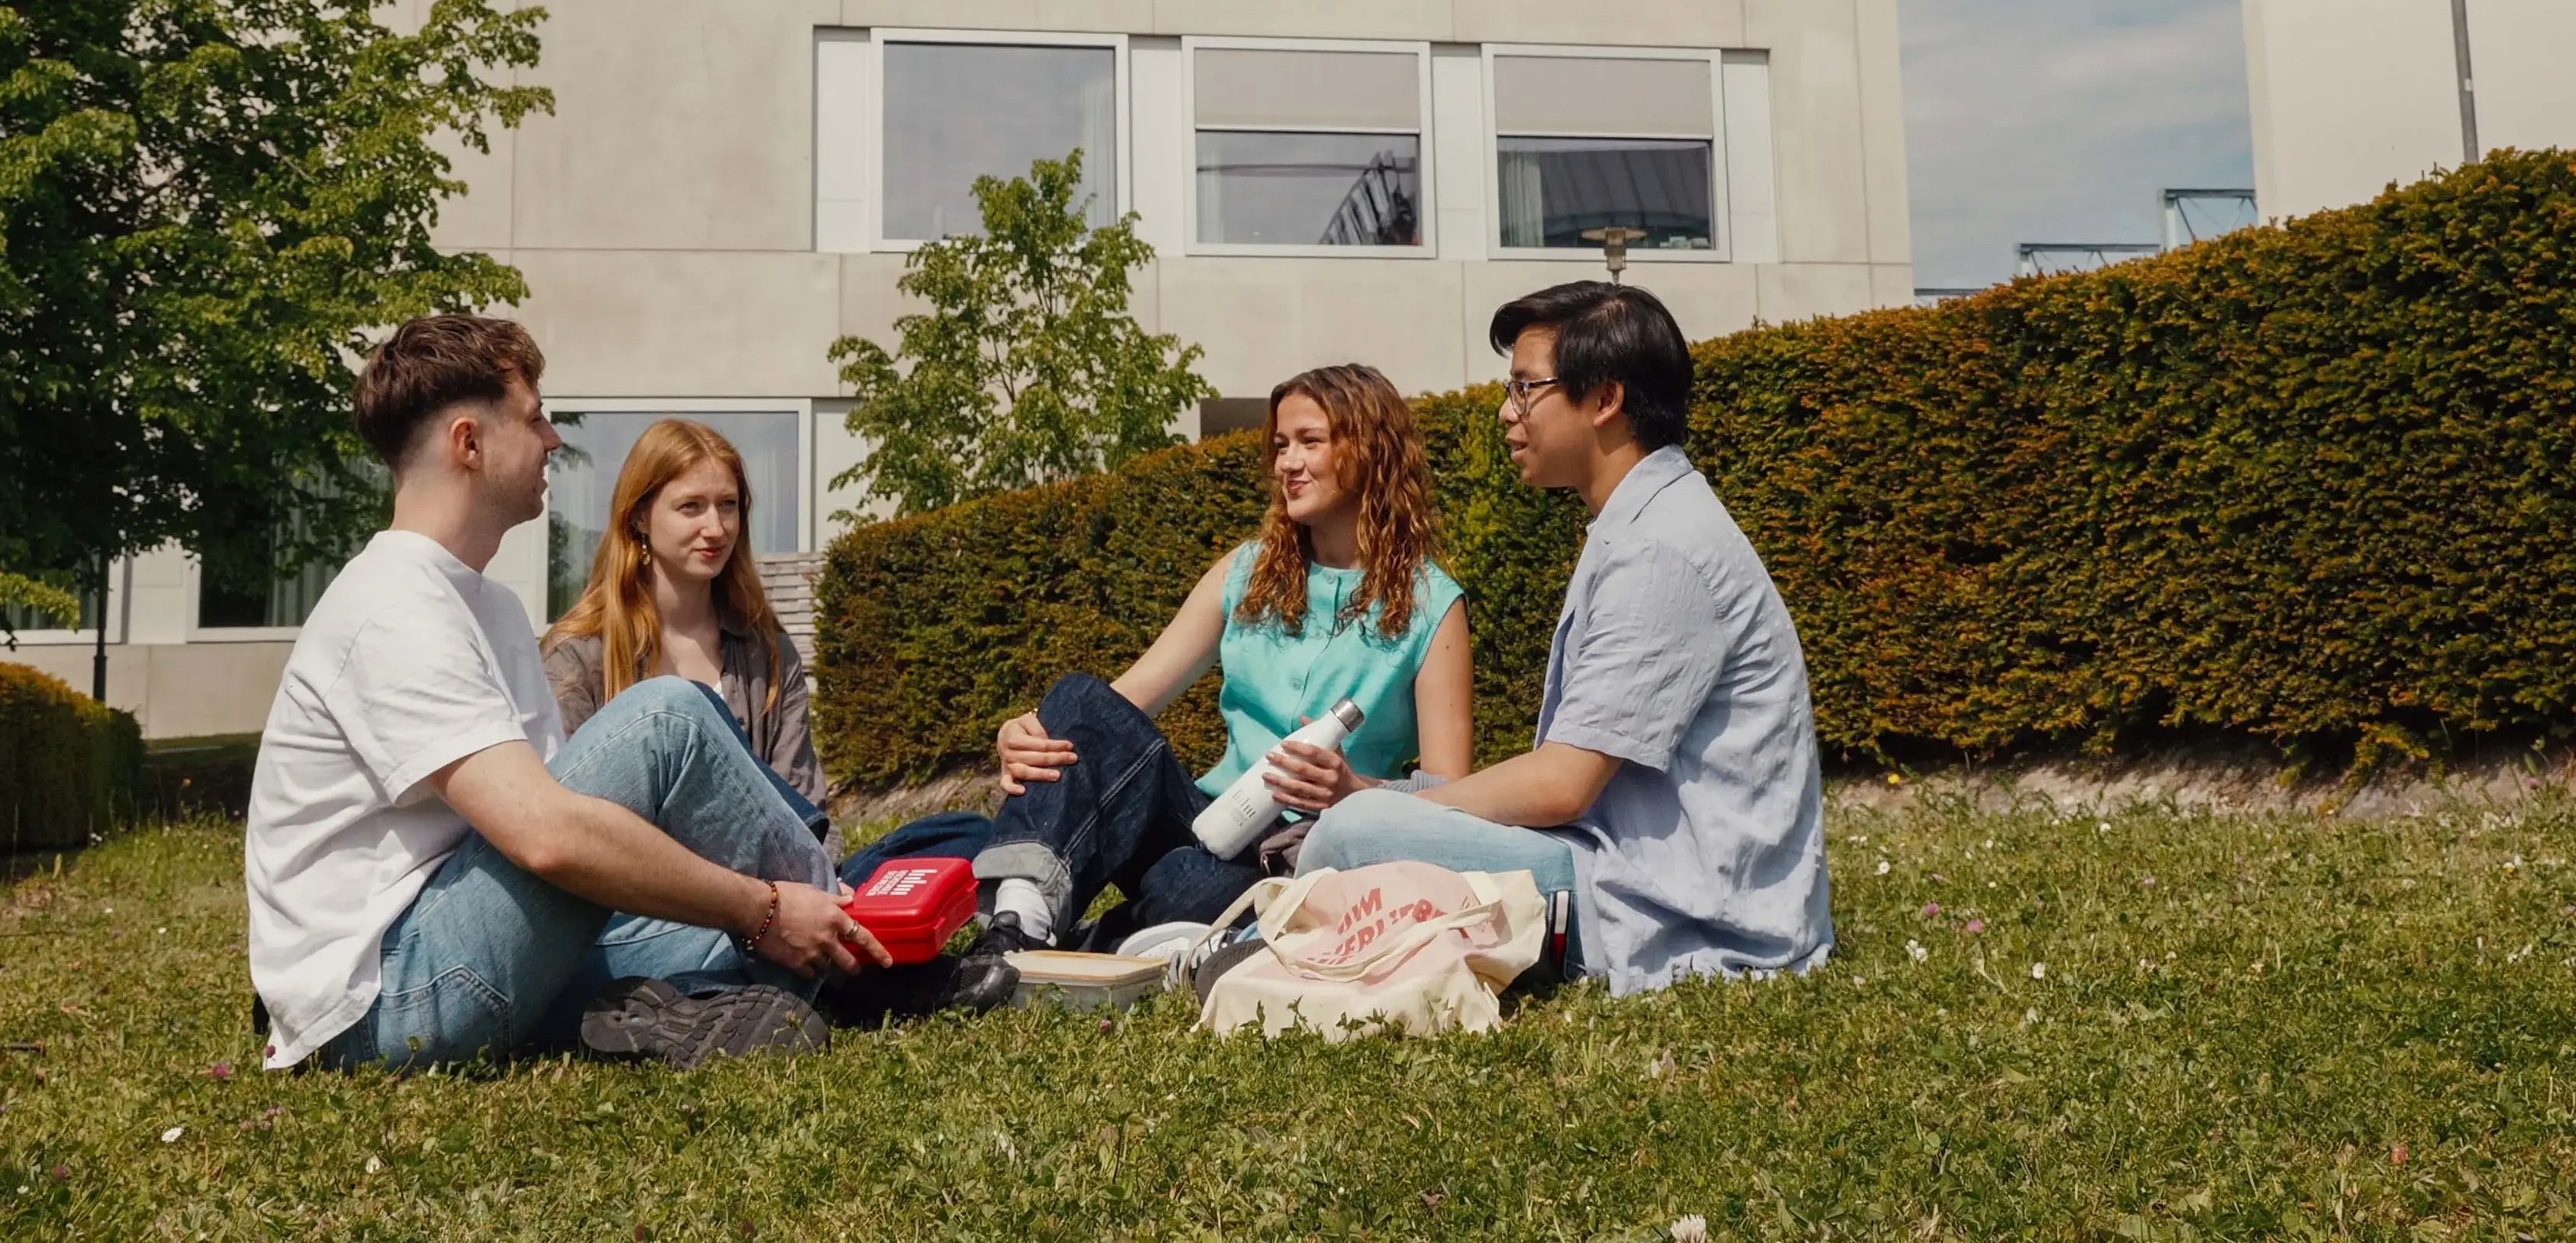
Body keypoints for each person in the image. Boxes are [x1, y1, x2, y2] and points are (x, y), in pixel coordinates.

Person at [243, 315, 891, 1071]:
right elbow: (547, 835)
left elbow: (584, 831)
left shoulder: (491, 608)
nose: (552, 439)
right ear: (467, 442)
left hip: (476, 931)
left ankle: (835, 954)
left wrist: (746, 916)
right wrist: (765, 906)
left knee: (733, 934)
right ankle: (847, 934)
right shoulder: (392, 606)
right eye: (533, 417)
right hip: (388, 998)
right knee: (669, 713)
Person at [1300, 281, 1834, 992]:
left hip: (1674, 913)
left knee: (1350, 834)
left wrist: (1380, 808)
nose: (1506, 412)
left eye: (1525, 389)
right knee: (1368, 815)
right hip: (1620, 869)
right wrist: (1379, 791)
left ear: (1605, 399)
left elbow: (1561, 785)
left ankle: (1253, 950)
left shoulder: (1662, 548)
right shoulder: (1645, 522)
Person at [966, 362, 1474, 951]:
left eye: (1310, 442)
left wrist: (1354, 791)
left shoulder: (1434, 604)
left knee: (1189, 888)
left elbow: (1451, 795)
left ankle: (1092, 936)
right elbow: (1114, 710)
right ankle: (1018, 920)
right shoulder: (1246, 572)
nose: (1286, 463)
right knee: (1079, 696)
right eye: (1281, 445)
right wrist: (1026, 734)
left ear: (1372, 452)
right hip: (1204, 819)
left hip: (1296, 863)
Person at [540, 418, 822, 812]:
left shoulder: (767, 650)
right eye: (691, 507)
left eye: (728, 505)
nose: (716, 528)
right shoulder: (578, 655)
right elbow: (564, 814)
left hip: (769, 872)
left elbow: (805, 806)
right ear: (638, 516)